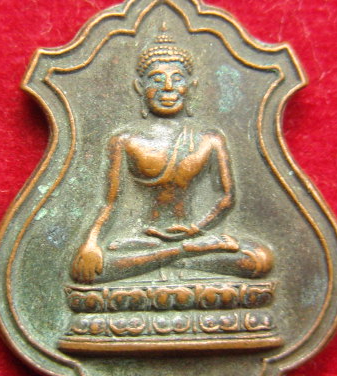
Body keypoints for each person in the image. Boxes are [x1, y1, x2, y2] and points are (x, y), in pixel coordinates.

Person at [71, 30, 272, 284]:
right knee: (84, 270)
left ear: (191, 86)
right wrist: (91, 242)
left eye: (177, 79)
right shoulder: (125, 140)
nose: (168, 87)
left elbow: (226, 197)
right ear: (140, 87)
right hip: (142, 239)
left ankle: (174, 255)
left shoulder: (210, 139)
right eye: (156, 80)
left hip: (196, 234)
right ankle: (183, 254)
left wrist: (197, 229)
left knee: (259, 259)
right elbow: (110, 202)